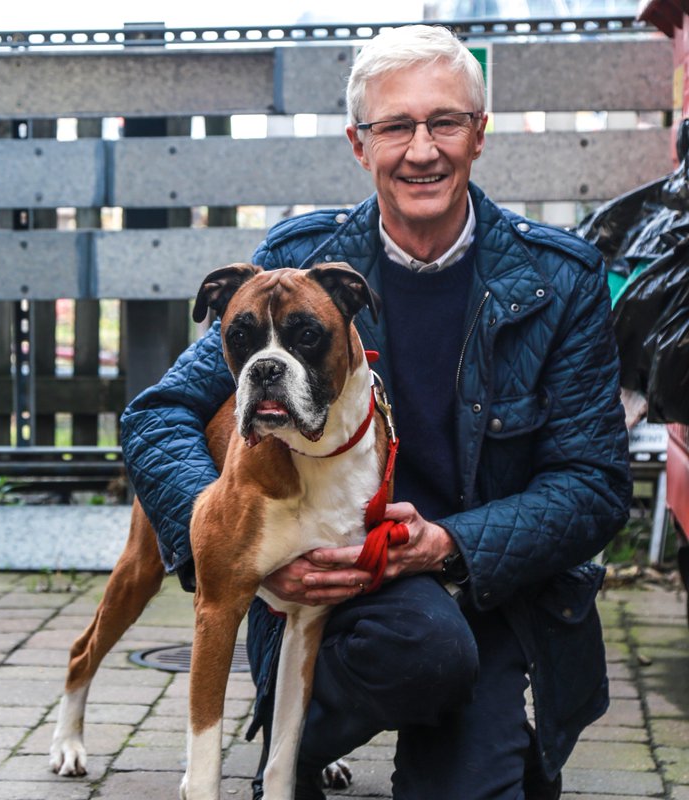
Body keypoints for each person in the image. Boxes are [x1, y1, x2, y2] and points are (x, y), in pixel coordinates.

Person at [120, 24, 631, 800]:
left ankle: (460, 737)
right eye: (395, 126)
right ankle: (295, 746)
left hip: (486, 593)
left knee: (470, 758)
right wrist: (229, 542)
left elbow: (594, 485)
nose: (420, 149)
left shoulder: (561, 281)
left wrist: (451, 543)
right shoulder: (302, 268)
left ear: (480, 134)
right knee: (421, 651)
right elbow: (158, 414)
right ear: (361, 145)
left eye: (445, 122)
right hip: (331, 591)